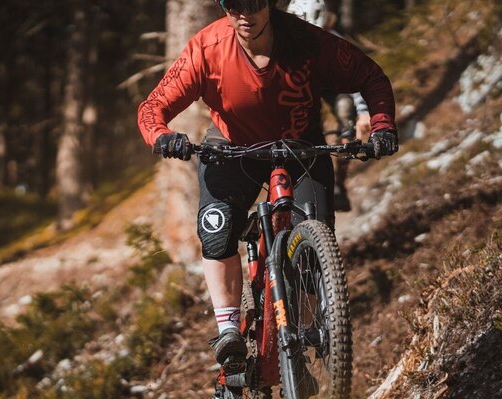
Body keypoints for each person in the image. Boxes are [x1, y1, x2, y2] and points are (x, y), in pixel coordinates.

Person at [137, 0, 398, 372]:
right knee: (217, 231)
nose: (244, 14)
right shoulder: (206, 48)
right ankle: (228, 329)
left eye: (254, 3)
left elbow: (370, 76)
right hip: (232, 149)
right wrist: (162, 136)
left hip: (301, 148)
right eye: (233, 4)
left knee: (316, 241)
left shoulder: (307, 40)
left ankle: (309, 328)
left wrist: (382, 124)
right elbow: (153, 107)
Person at [286, 0, 372, 212]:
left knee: (345, 109)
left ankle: (339, 184)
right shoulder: (283, 41)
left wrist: (363, 112)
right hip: (301, 86)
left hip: (333, 86)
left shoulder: (337, 43)